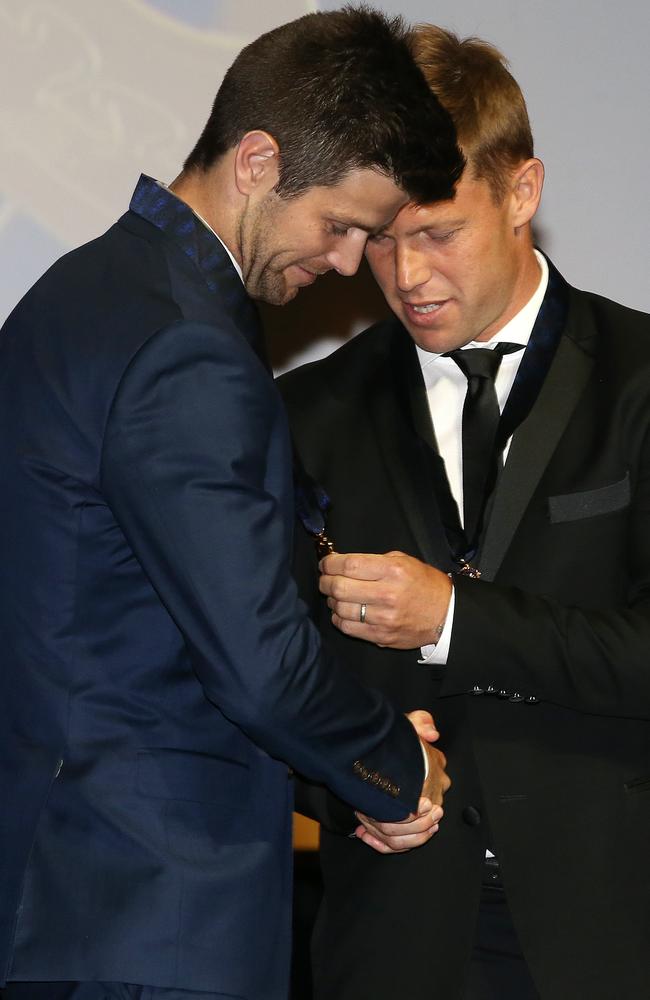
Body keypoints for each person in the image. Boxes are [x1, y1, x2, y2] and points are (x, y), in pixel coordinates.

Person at [0, 10, 465, 1000]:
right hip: (152, 914)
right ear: (256, 160)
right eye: (340, 224)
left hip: (68, 899)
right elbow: (254, 665)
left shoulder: (79, 292)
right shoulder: (187, 349)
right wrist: (390, 765)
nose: (347, 264)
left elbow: (133, 631)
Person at [279, 24, 650, 1000]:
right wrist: (352, 776)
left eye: (436, 233)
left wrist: (451, 618)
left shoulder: (640, 382)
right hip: (393, 942)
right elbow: (263, 674)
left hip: (610, 936)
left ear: (521, 192)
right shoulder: (305, 417)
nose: (404, 278)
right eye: (379, 240)